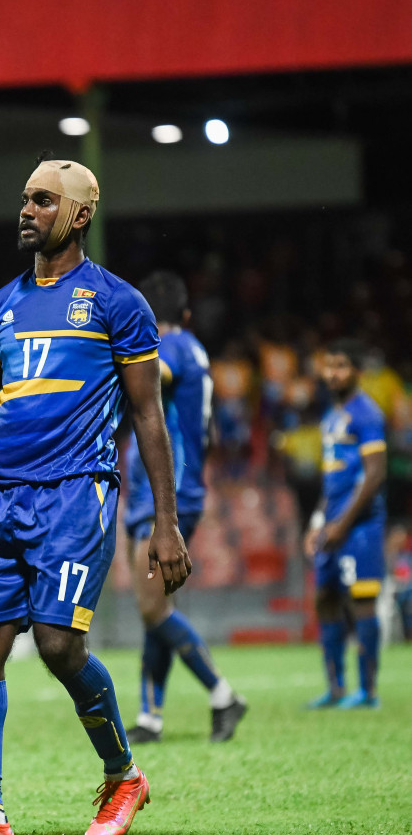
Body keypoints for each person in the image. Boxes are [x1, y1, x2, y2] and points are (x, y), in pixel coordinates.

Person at [0, 156, 191, 835]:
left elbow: (147, 419)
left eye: (42, 201)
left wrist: (164, 524)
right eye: (23, 200)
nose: (26, 211)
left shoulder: (117, 303)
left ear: (80, 215)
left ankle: (122, 776)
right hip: (1, 498)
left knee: (56, 644)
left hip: (76, 494)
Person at [123, 271, 247, 743]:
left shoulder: (168, 349)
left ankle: (222, 695)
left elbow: (154, 378)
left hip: (163, 498)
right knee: (156, 605)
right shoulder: (196, 348)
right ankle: (151, 717)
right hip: (174, 490)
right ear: (187, 313)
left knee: (152, 607)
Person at [304, 340, 386, 709]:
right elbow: (332, 480)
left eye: (341, 366)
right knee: (325, 599)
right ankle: (335, 688)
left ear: (357, 372)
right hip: (333, 523)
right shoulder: (331, 416)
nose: (332, 373)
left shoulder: (367, 414)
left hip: (361, 526)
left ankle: (367, 692)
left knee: (363, 602)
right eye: (329, 365)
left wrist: (342, 524)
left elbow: (375, 474)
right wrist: (318, 521)